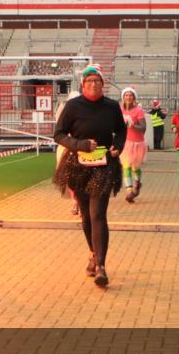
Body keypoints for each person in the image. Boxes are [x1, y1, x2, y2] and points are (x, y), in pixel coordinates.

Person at [53, 64, 125, 287]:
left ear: (103, 84)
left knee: (98, 215)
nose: (93, 84)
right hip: (78, 166)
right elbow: (58, 134)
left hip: (104, 165)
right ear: (83, 85)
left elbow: (121, 130)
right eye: (89, 81)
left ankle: (102, 266)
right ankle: (93, 253)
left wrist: (118, 146)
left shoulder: (112, 107)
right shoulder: (73, 106)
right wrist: (79, 144)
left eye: (97, 81)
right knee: (85, 215)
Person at [54, 91, 82, 215]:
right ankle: (75, 202)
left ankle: (80, 202)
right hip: (66, 148)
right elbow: (60, 133)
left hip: (82, 148)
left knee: (81, 177)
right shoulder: (64, 114)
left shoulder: (85, 113)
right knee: (70, 177)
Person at [119, 87, 147, 204]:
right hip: (125, 143)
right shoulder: (119, 110)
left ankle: (137, 183)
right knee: (126, 166)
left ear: (134, 98)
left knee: (135, 168)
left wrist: (133, 125)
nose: (128, 97)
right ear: (123, 98)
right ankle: (129, 191)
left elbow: (143, 128)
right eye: (126, 95)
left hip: (137, 143)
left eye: (130, 95)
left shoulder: (138, 110)